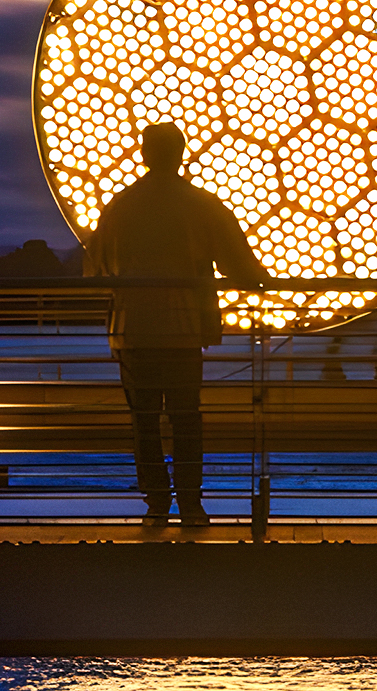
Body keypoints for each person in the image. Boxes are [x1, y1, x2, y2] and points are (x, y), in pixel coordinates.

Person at [85, 122, 267, 527]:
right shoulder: (201, 204)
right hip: (183, 329)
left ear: (144, 153)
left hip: (131, 329)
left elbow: (94, 270)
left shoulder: (119, 206)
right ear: (181, 153)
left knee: (143, 421)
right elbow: (240, 265)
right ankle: (190, 503)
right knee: (186, 417)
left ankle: (156, 502)